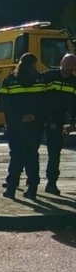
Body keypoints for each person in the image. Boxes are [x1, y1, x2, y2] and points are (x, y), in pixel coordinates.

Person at [0, 53, 50, 200]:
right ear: (34, 64)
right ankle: (32, 189)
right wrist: (34, 116)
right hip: (35, 125)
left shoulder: (9, 81)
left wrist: (19, 118)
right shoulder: (41, 80)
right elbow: (46, 103)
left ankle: (11, 189)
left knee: (16, 156)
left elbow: (2, 103)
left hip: (16, 125)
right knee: (32, 156)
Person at [42, 53, 76, 195]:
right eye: (68, 63)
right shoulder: (48, 76)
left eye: (73, 65)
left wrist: (72, 123)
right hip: (40, 117)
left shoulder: (74, 82)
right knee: (28, 150)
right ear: (61, 62)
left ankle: (51, 183)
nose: (70, 67)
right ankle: (24, 179)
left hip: (58, 120)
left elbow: (75, 105)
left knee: (54, 153)